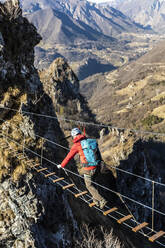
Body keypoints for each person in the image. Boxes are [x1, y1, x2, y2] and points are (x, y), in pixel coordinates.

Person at [57, 127, 107, 209]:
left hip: (88, 169)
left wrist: (61, 165)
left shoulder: (76, 145)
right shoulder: (89, 141)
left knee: (89, 185)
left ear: (73, 136)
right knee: (93, 182)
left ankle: (101, 200)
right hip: (97, 166)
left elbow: (68, 157)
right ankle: (96, 200)